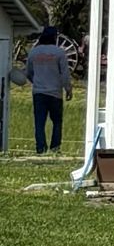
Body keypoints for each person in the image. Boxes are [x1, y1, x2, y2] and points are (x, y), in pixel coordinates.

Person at [26, 26, 71, 156]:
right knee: (57, 122)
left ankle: (41, 148)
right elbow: (65, 74)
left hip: (39, 92)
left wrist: (37, 82)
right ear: (55, 37)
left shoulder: (34, 52)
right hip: (55, 93)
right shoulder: (59, 52)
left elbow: (28, 72)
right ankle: (55, 148)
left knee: (39, 123)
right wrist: (68, 89)